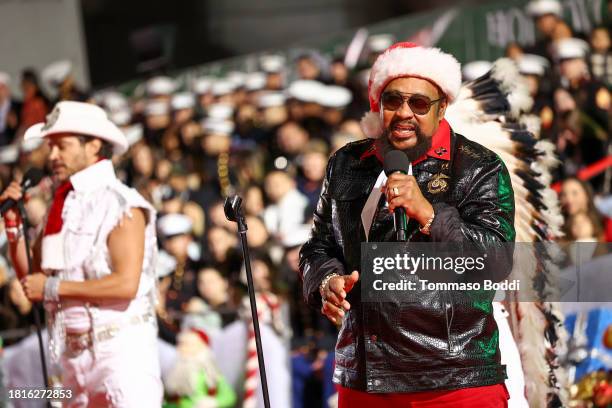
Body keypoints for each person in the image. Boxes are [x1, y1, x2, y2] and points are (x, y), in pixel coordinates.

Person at [299, 42, 516, 407]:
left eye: (418, 103)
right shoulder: (347, 163)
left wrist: (430, 215)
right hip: (366, 378)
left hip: (455, 381)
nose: (403, 113)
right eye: (393, 101)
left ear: (442, 106)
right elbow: (318, 247)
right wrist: (326, 281)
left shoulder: (479, 167)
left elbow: (496, 263)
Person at [0, 101, 162, 406]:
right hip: (71, 358)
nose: (53, 156)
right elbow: (32, 279)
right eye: (51, 147)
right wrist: (14, 229)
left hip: (120, 353)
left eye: (62, 145)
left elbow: (125, 284)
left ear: (94, 145)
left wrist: (52, 287)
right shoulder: (60, 206)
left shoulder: (121, 202)